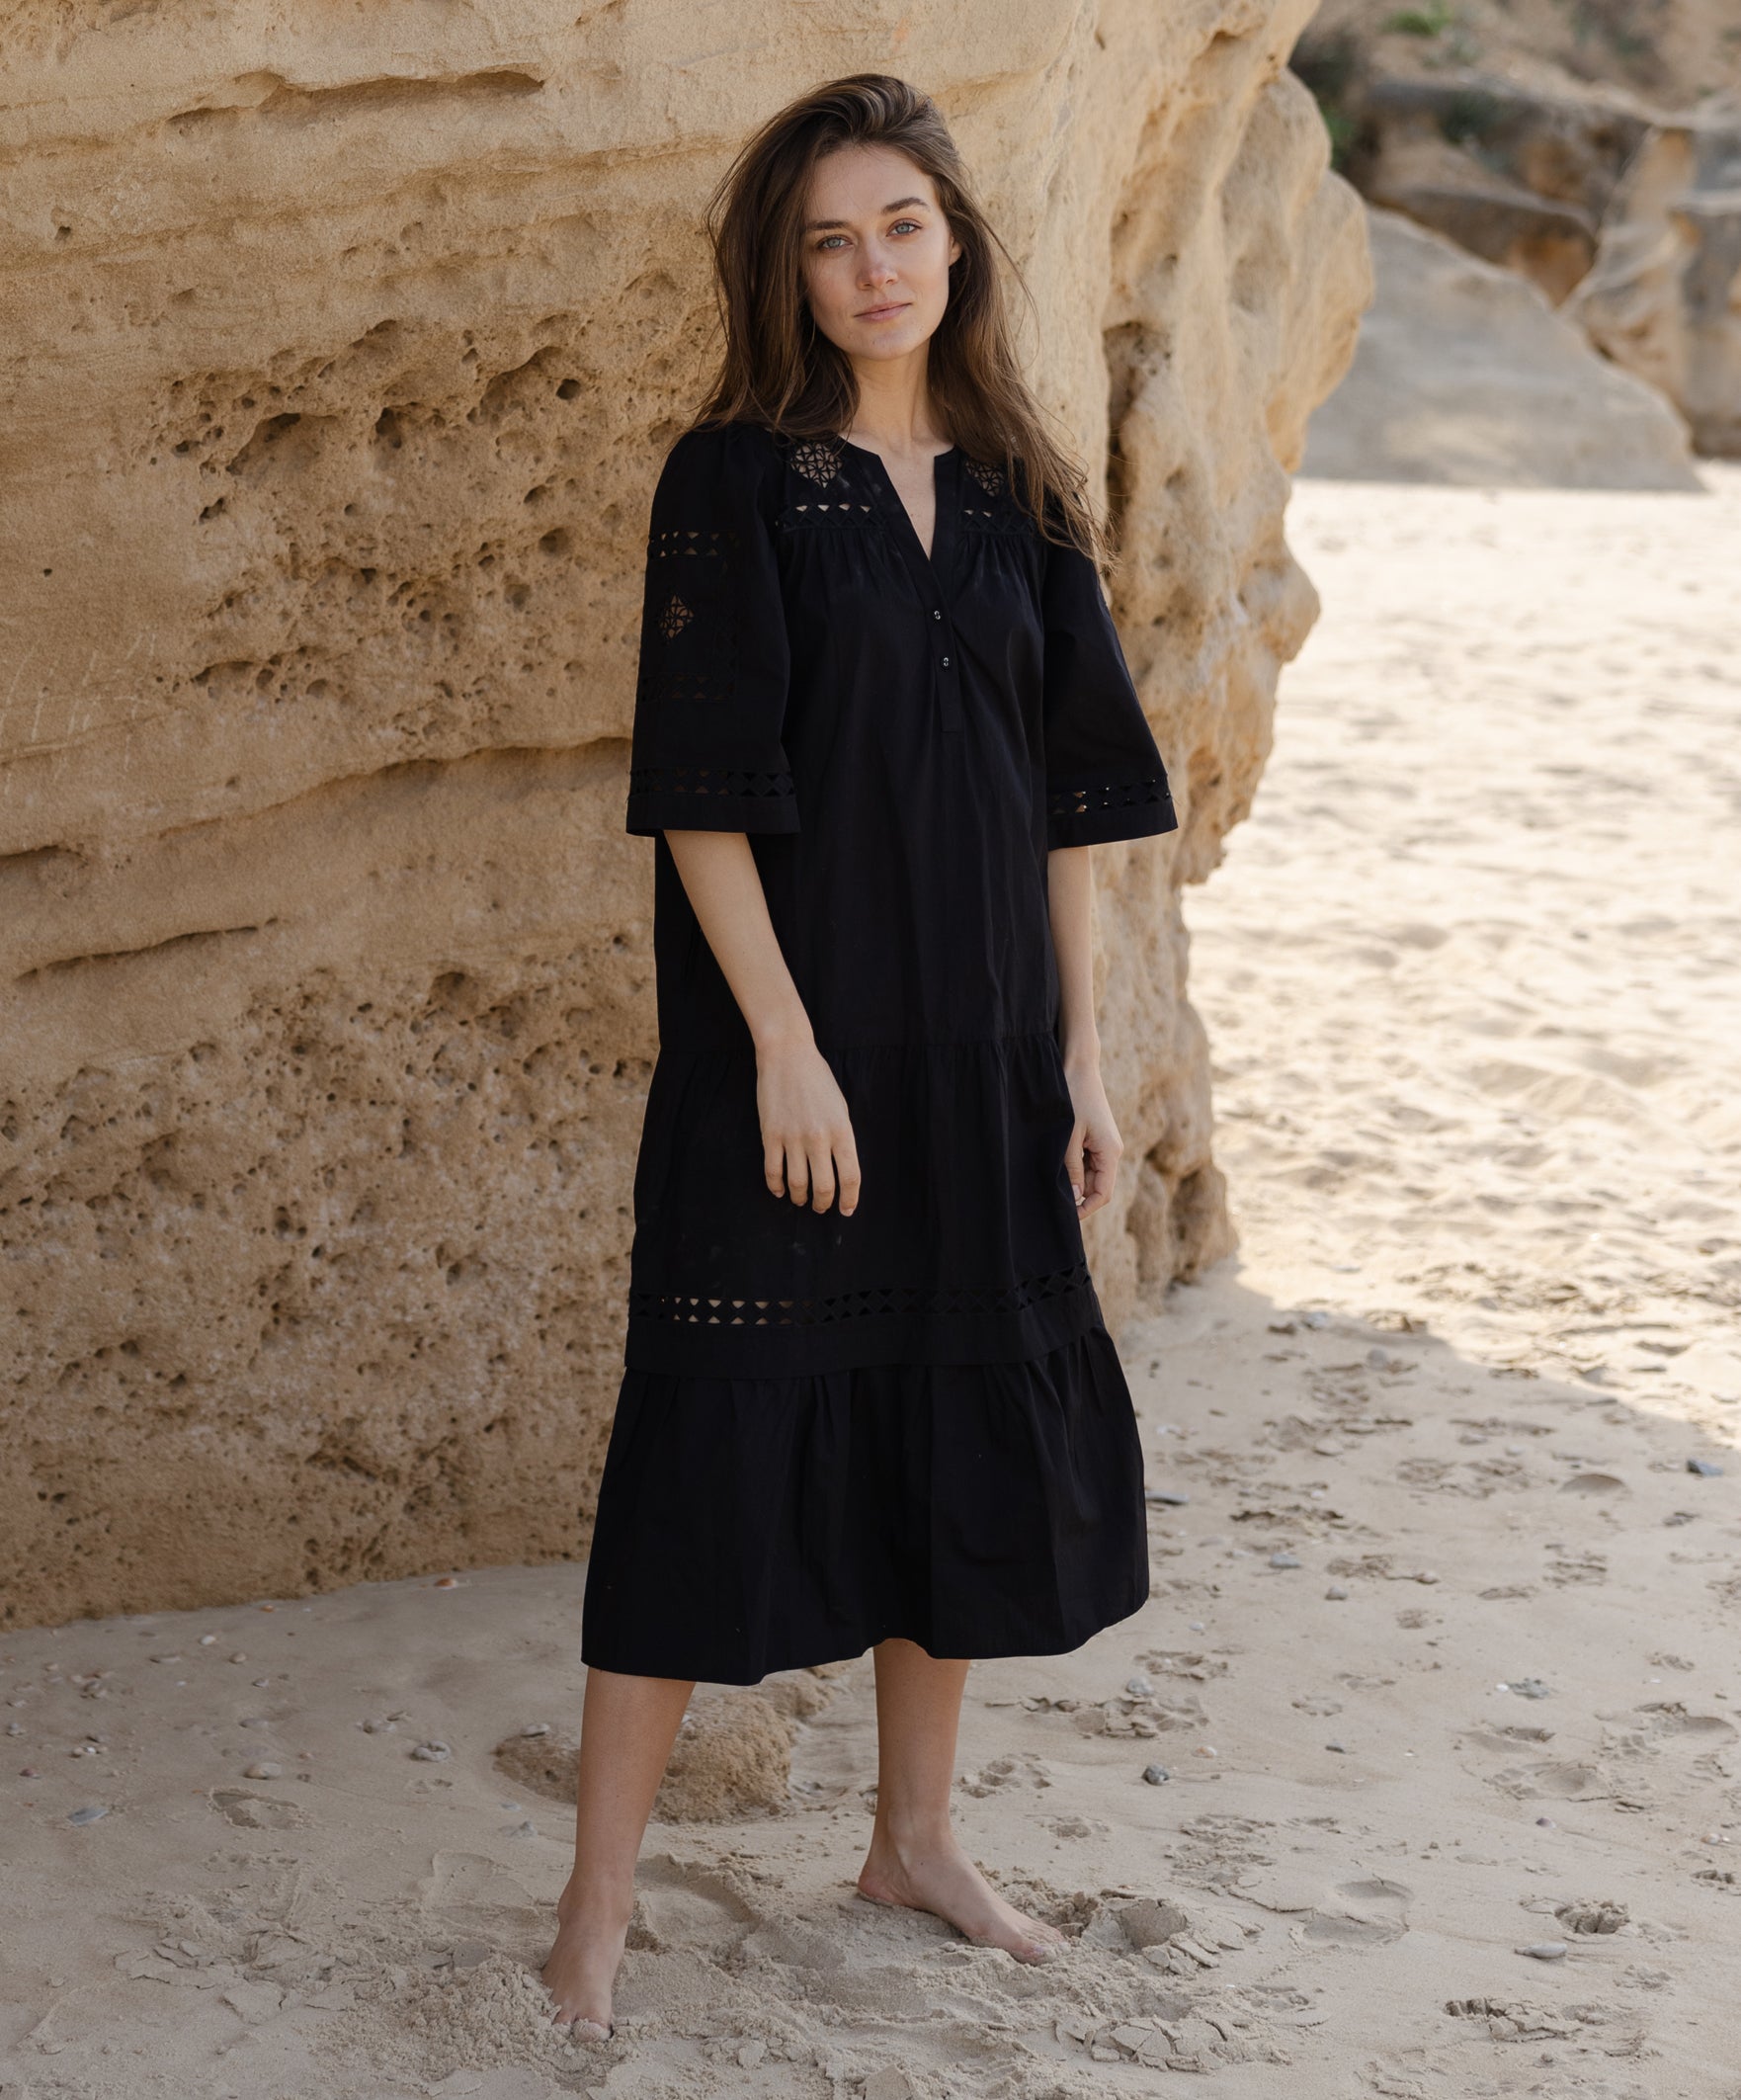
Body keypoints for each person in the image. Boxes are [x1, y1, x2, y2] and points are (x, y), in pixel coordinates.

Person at [539, 71, 1179, 2041]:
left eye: (899, 225)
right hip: (793, 1058)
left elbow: (1067, 800)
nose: (868, 267)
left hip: (983, 1047)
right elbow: (702, 800)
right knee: (703, 1439)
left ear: (956, 242)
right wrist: (780, 1054)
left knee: (945, 1427)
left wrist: (1073, 1060)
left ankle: (910, 1836)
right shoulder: (730, 481)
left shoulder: (1017, 485)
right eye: (826, 238)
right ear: (785, 271)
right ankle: (593, 1904)